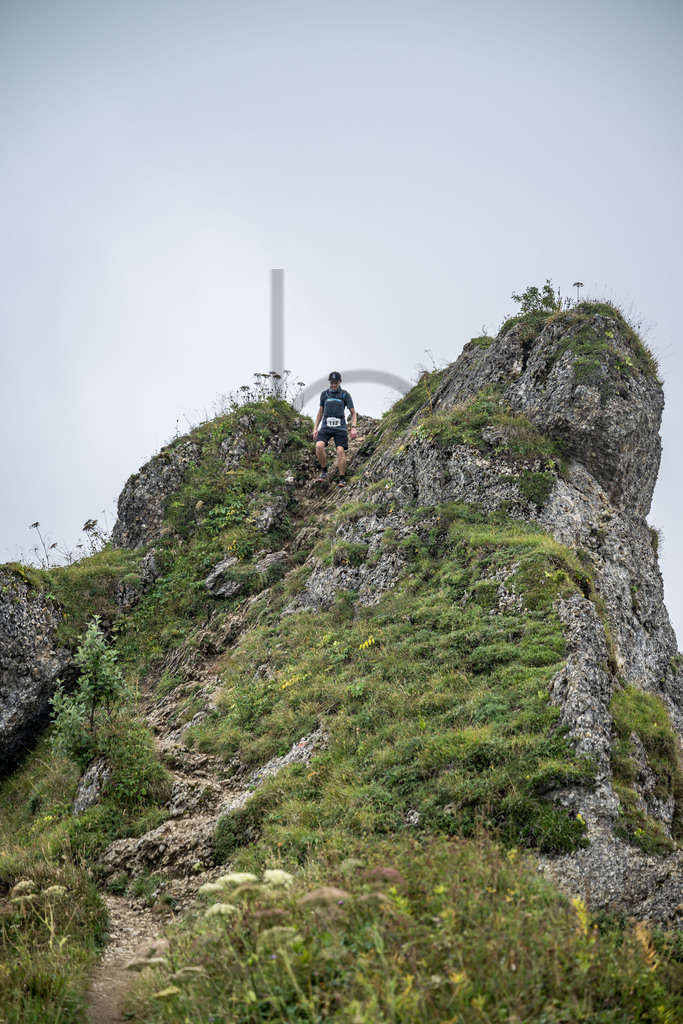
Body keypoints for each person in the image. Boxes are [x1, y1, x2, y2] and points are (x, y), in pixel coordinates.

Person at [313, 372, 357, 487]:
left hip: (340, 428)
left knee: (340, 451)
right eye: (332, 382)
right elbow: (320, 411)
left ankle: (342, 479)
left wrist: (353, 428)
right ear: (329, 382)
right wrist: (315, 428)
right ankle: (324, 471)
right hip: (326, 427)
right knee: (318, 446)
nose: (333, 385)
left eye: (336, 382)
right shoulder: (324, 394)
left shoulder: (345, 395)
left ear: (340, 382)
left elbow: (353, 412)